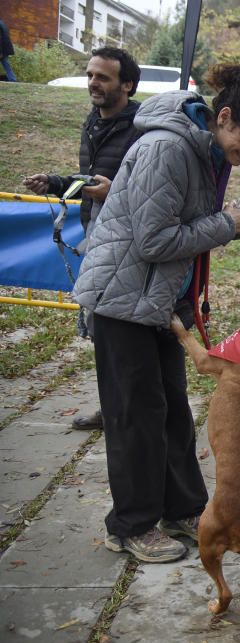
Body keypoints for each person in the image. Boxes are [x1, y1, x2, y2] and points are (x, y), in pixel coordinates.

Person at [72, 59, 240, 563]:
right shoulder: (167, 147)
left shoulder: (208, 151)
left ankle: (183, 509)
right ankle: (130, 525)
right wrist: (227, 224)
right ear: (225, 116)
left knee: (171, 411)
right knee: (135, 416)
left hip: (162, 302)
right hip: (123, 299)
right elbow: (153, 240)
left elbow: (193, 223)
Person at [23, 47, 143, 431]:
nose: (93, 82)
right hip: (97, 237)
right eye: (91, 74)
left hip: (129, 245)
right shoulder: (93, 121)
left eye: (102, 77)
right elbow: (89, 179)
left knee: (120, 332)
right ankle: (113, 409)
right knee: (101, 329)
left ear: (126, 84)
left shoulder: (142, 127)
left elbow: (150, 190)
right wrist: (56, 183)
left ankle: (127, 412)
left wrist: (115, 193)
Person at [0, 18, 15, 82]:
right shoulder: (2, 23)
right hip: (5, 49)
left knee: (6, 65)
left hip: (2, 50)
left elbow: (0, 40)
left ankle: (12, 79)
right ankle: (13, 79)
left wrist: (0, 52)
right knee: (6, 65)